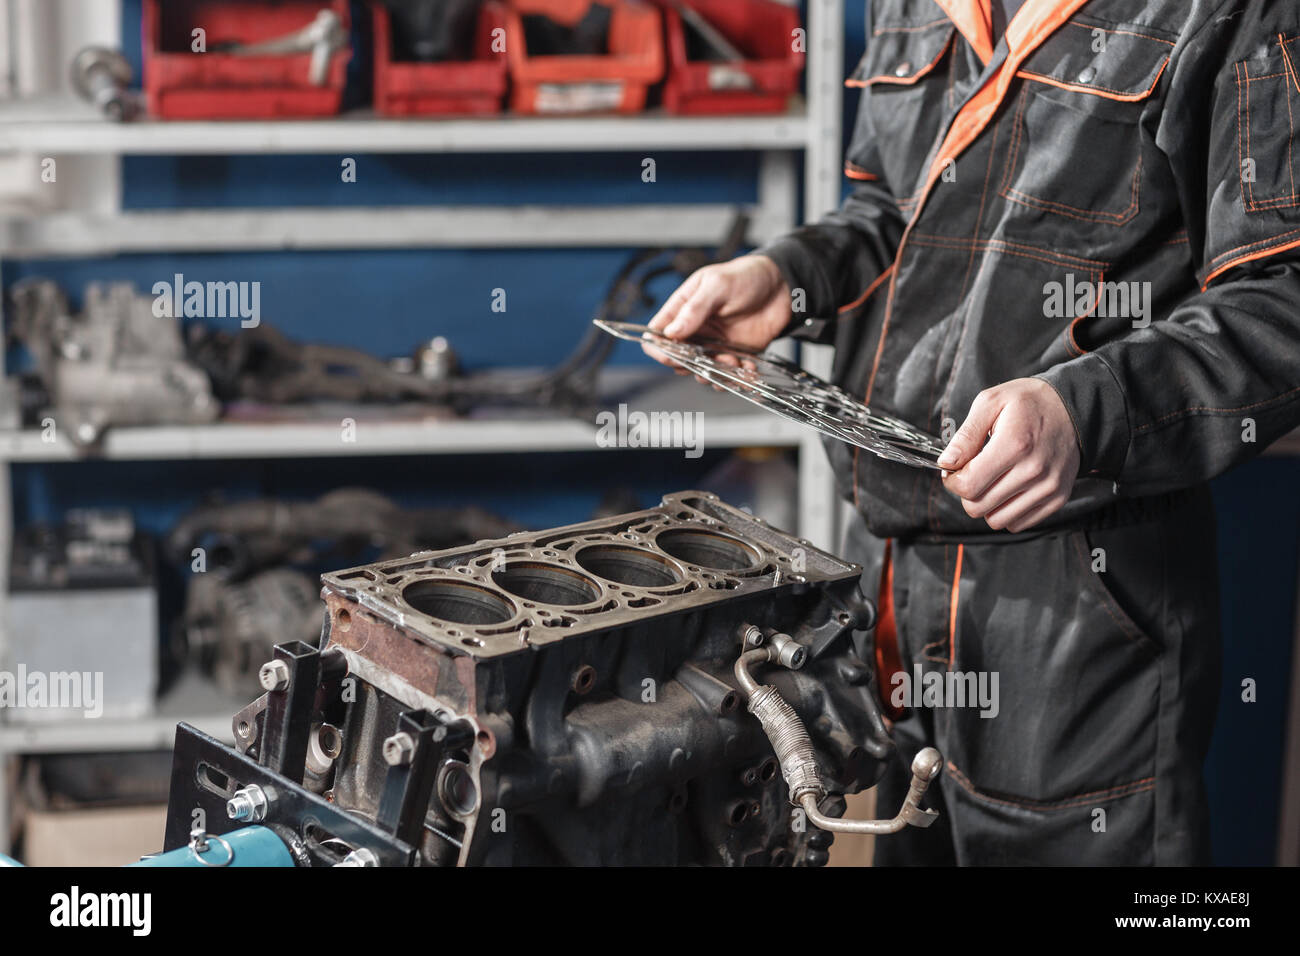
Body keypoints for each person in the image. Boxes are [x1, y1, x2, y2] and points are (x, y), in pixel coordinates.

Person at [648, 0, 1300, 865]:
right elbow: (894, 213)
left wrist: (1088, 410)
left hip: (1083, 608)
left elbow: (1279, 301)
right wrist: (789, 276)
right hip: (889, 576)